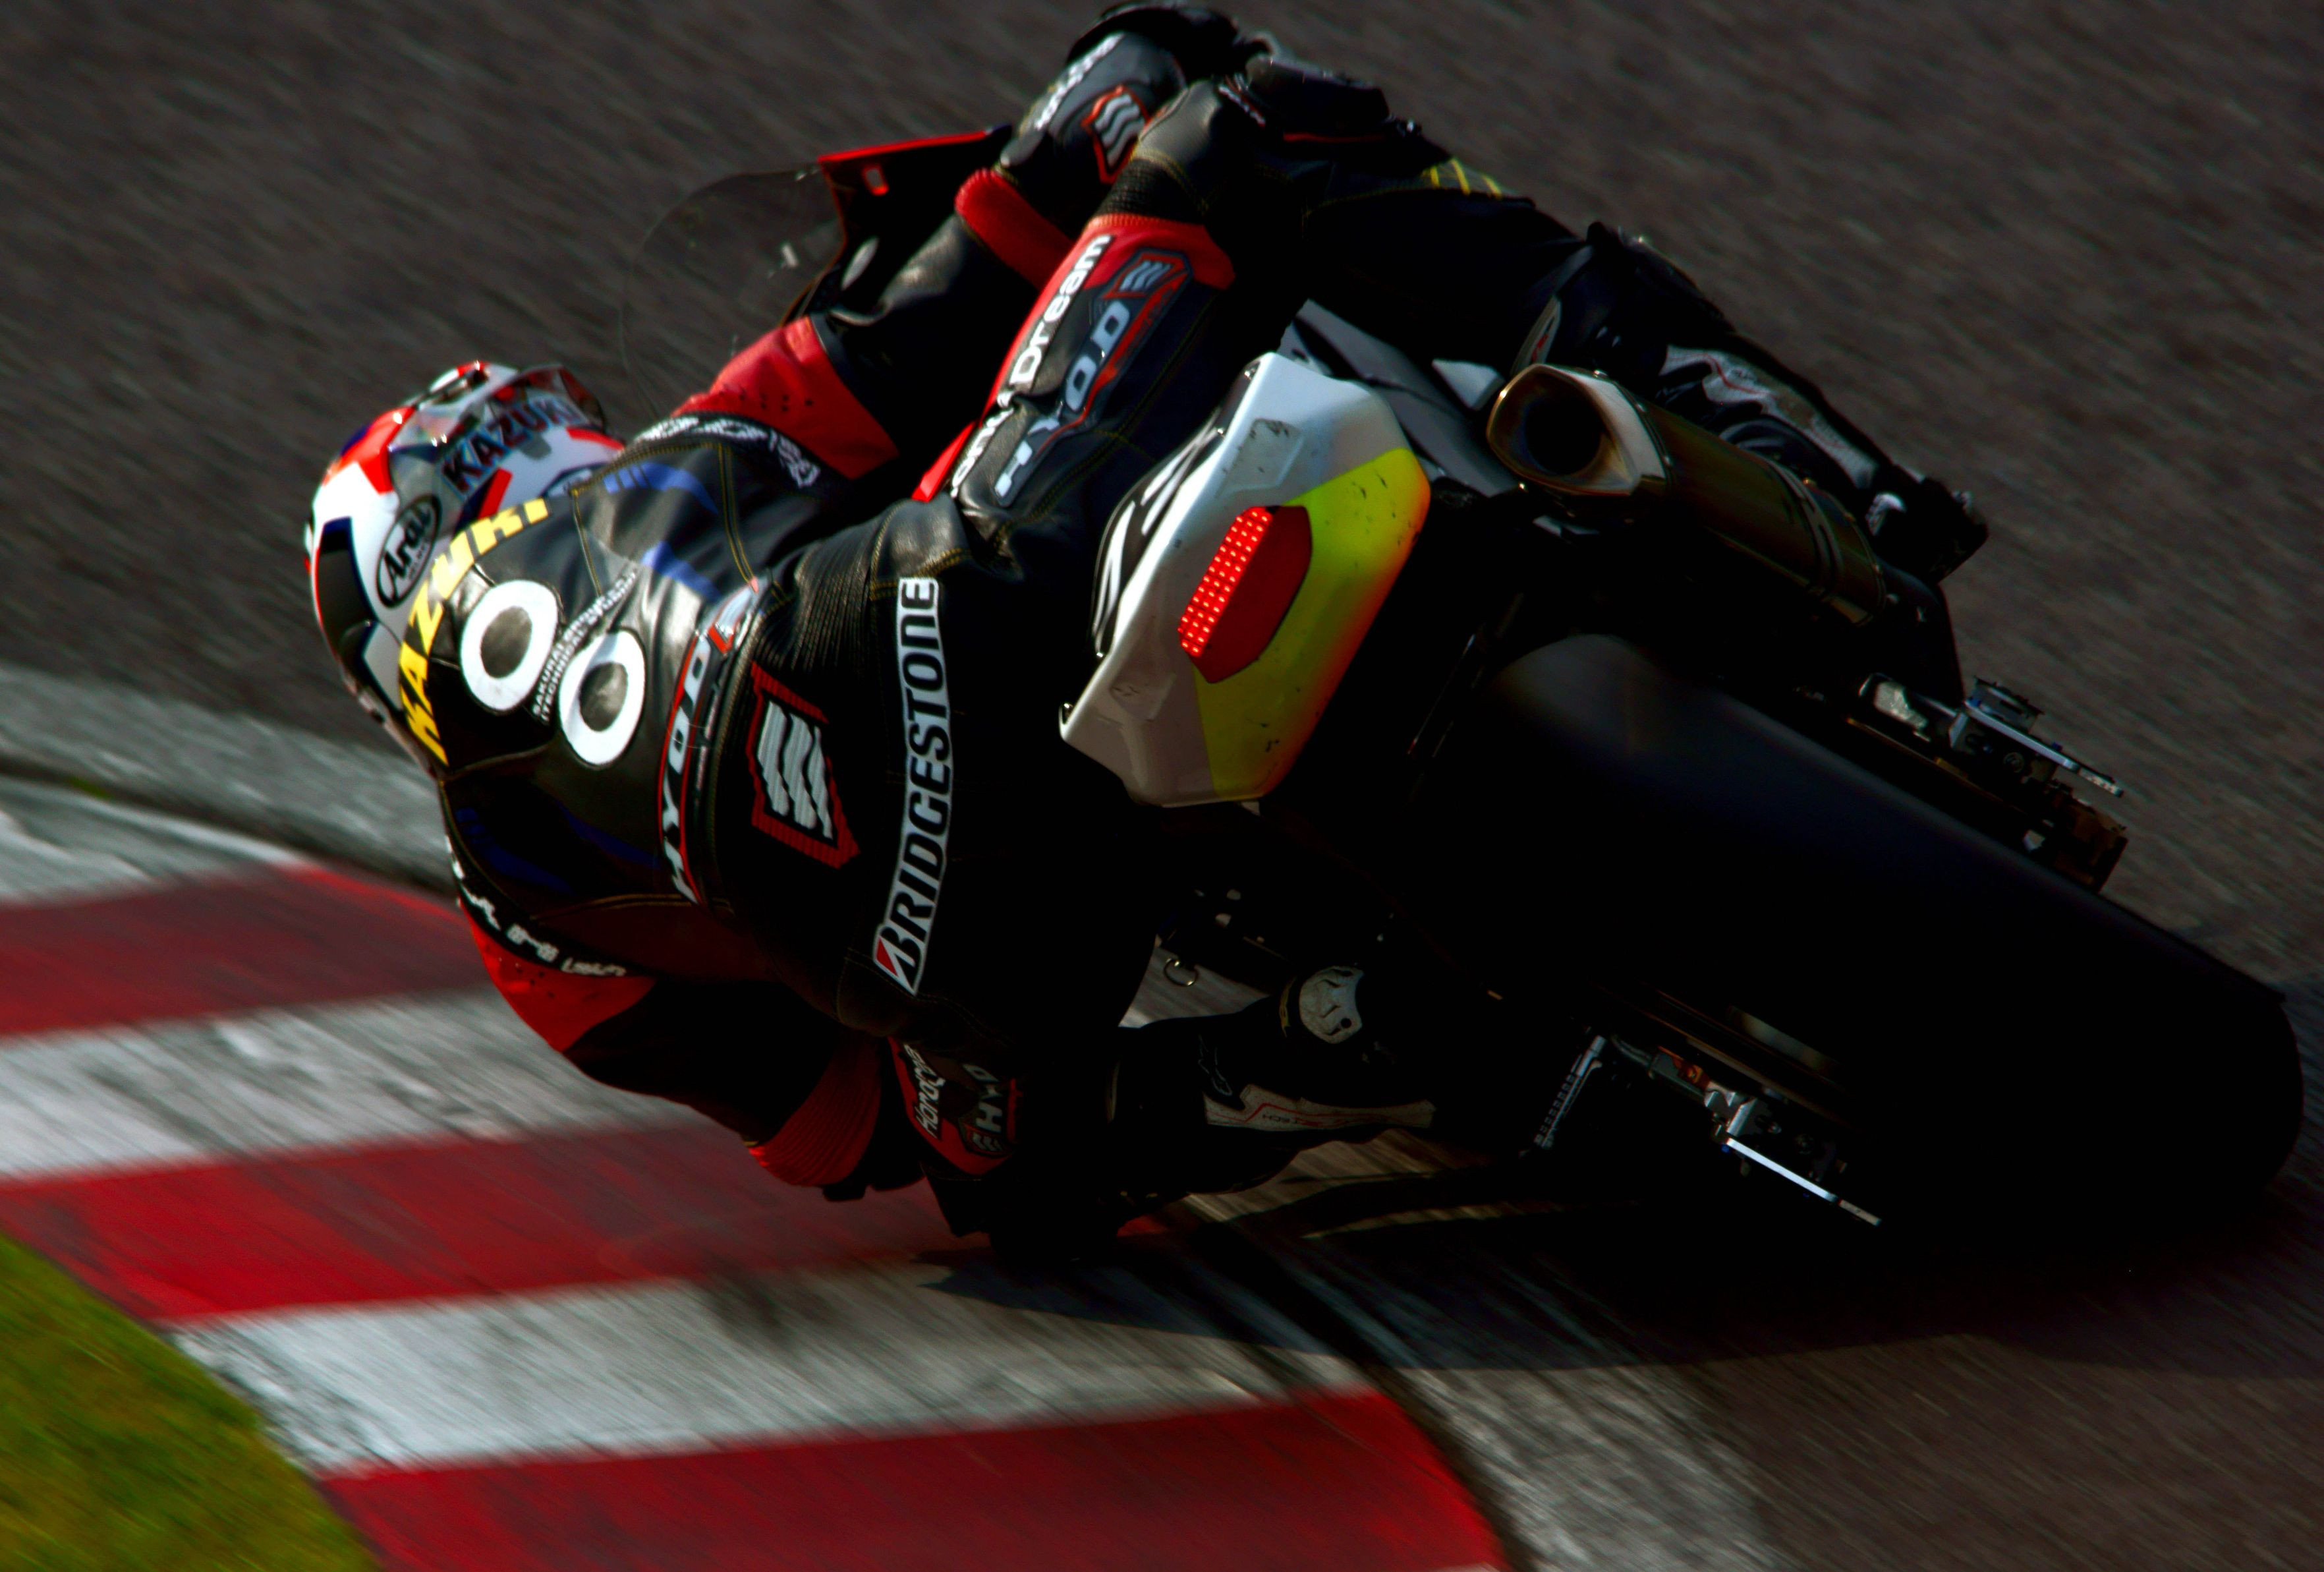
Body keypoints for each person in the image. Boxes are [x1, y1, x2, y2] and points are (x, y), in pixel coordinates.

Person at [304, 5, 1981, 1256]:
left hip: (963, 967)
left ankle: (1343, 1042)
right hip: (940, 617)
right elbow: (960, 288)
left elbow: (846, 1135)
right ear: (520, 452)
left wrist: (1097, 1071)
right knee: (1244, 136)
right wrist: (1112, 98)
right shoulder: (686, 457)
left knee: (1018, 1158)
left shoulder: (519, 923)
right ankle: (1798, 460)